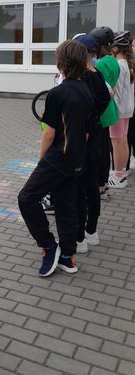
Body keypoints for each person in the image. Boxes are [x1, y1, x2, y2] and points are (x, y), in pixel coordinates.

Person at [18, 39, 94, 277]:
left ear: (61, 63)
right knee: (66, 206)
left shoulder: (57, 94)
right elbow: (87, 132)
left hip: (58, 158)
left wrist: (42, 160)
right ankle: (67, 258)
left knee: (27, 198)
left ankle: (48, 246)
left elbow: (49, 133)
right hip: (76, 158)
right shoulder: (87, 91)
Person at [73, 34, 111, 252]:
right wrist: (96, 117)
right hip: (97, 137)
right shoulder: (97, 74)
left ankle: (80, 239)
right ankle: (92, 231)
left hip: (84, 140)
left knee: (80, 189)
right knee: (92, 187)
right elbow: (105, 99)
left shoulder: (83, 77)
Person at [89, 26, 120, 200]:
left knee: (98, 151)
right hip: (109, 110)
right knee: (104, 149)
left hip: (101, 111)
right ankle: (104, 184)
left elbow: (99, 88)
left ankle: (99, 187)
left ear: (101, 45)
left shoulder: (101, 64)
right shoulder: (113, 60)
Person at [108, 31, 135, 188]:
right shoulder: (128, 64)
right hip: (128, 108)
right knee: (123, 140)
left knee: (116, 141)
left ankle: (118, 176)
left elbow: (116, 92)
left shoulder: (119, 66)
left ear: (116, 49)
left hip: (119, 110)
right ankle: (122, 172)